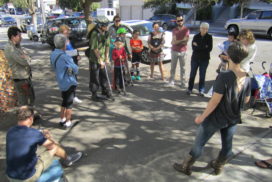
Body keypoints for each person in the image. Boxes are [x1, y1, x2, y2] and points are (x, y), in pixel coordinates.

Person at [173, 41, 251, 176]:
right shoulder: (247, 77)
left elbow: (214, 101)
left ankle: (186, 166)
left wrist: (201, 117)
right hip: (233, 117)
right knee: (227, 146)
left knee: (199, 143)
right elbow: (246, 99)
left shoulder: (224, 76)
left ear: (229, 56)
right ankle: (218, 166)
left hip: (216, 118)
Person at [6, 106, 82, 182]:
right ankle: (68, 159)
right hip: (27, 178)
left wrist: (39, 134)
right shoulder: (34, 134)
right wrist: (48, 137)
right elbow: (52, 146)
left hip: (10, 176)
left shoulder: (10, 131)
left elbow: (25, 135)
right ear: (30, 118)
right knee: (55, 148)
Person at [50, 34, 78, 129]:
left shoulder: (53, 54)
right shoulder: (65, 56)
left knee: (64, 101)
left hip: (61, 81)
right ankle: (68, 121)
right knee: (69, 103)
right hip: (69, 81)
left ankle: (62, 119)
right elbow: (75, 69)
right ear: (64, 45)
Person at [4, 26, 35, 106]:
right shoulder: (10, 48)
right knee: (25, 101)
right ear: (13, 37)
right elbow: (24, 62)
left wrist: (27, 57)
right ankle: (26, 117)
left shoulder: (17, 46)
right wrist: (27, 58)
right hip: (21, 79)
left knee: (30, 98)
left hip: (25, 77)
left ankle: (30, 116)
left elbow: (28, 57)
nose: (21, 38)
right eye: (19, 36)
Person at [88, 17, 112, 101]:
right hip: (94, 58)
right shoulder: (95, 33)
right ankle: (94, 94)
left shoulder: (107, 33)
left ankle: (105, 91)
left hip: (102, 56)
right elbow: (95, 49)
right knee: (95, 76)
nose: (107, 27)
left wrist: (106, 58)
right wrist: (100, 60)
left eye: (107, 25)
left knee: (104, 75)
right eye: (105, 25)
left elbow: (107, 46)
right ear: (100, 25)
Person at [187, 22, 213, 96]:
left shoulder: (209, 37)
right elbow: (193, 48)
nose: (204, 30)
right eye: (203, 28)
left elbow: (209, 49)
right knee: (192, 74)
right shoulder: (196, 36)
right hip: (195, 58)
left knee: (202, 75)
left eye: (206, 29)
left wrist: (198, 46)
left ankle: (201, 90)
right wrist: (204, 46)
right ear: (200, 28)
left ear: (207, 29)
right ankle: (190, 89)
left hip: (204, 59)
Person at [59, 25, 82, 104]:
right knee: (68, 80)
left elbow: (74, 48)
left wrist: (77, 54)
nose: (68, 32)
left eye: (68, 31)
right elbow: (62, 53)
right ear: (61, 32)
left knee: (74, 80)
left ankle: (74, 96)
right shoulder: (60, 41)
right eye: (66, 31)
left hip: (73, 63)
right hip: (67, 64)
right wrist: (73, 53)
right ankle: (67, 97)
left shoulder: (70, 39)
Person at [167, 14, 190, 87]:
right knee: (173, 67)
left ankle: (183, 82)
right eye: (178, 20)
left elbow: (186, 41)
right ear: (176, 21)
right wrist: (182, 40)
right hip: (174, 51)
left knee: (183, 68)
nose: (180, 22)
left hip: (183, 51)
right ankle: (171, 81)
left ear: (183, 20)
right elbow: (173, 42)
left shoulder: (186, 29)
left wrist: (177, 41)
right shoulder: (174, 30)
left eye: (181, 20)